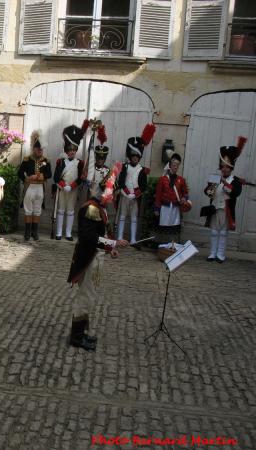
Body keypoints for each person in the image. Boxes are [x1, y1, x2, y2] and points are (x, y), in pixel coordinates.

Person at [67, 170, 129, 351]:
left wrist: (111, 249)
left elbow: (101, 235)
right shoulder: (91, 208)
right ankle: (76, 337)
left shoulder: (100, 208)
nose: (113, 198)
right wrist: (113, 242)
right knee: (85, 297)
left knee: (90, 296)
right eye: (112, 194)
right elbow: (89, 237)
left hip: (96, 257)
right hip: (89, 258)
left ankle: (81, 333)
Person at [204, 137, 245, 263]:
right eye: (223, 167)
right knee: (214, 232)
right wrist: (211, 187)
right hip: (215, 210)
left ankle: (220, 255)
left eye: (227, 167)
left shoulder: (236, 181)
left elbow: (235, 193)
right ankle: (212, 253)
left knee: (223, 234)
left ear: (231, 168)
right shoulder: (216, 178)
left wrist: (224, 184)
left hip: (226, 211)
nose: (224, 169)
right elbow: (208, 192)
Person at [116, 124, 155, 245]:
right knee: (122, 216)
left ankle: (133, 239)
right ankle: (120, 237)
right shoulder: (124, 167)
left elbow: (143, 185)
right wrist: (126, 193)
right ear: (130, 156)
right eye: (133, 156)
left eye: (137, 157)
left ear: (139, 158)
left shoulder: (142, 170)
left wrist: (135, 194)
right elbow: (121, 182)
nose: (135, 159)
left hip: (135, 197)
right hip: (125, 195)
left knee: (133, 218)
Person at [53, 124, 87, 241]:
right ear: (67, 151)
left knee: (71, 211)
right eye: (70, 150)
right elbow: (56, 177)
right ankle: (58, 233)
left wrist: (72, 186)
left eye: (74, 150)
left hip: (73, 189)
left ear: (76, 150)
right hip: (62, 189)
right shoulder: (61, 162)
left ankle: (68, 233)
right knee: (61, 210)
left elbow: (81, 178)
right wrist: (64, 186)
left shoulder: (80, 163)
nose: (72, 152)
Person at [18, 132, 52, 241]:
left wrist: (42, 176)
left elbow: (49, 174)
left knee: (37, 210)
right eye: (38, 149)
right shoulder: (27, 159)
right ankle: (27, 232)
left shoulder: (46, 161)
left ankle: (35, 232)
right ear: (34, 149)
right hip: (30, 187)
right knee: (28, 210)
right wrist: (26, 179)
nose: (40, 151)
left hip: (40, 188)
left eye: (41, 150)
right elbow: (19, 172)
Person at [154, 153, 191, 243]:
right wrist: (157, 208)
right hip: (165, 208)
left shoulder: (181, 180)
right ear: (170, 166)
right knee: (164, 227)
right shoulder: (162, 179)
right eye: (174, 165)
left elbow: (185, 193)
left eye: (177, 165)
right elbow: (158, 195)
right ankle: (162, 246)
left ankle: (172, 246)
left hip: (175, 208)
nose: (176, 167)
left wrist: (184, 198)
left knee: (174, 228)